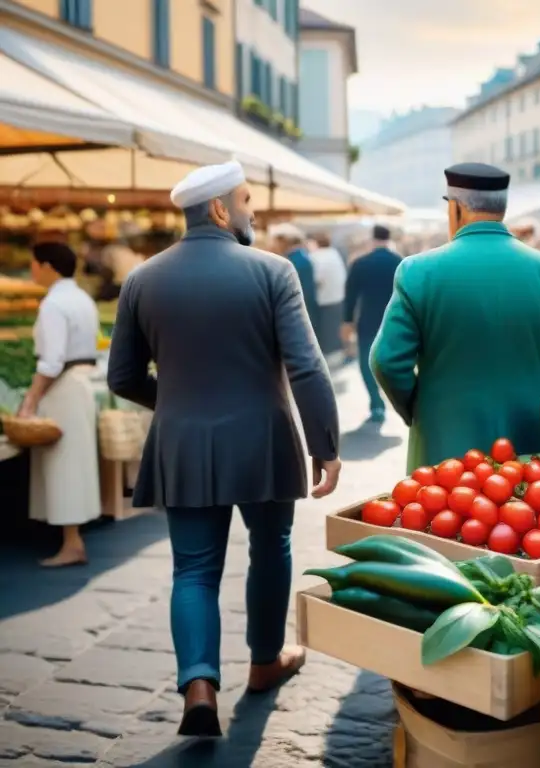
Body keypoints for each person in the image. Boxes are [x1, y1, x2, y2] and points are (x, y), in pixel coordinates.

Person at [106, 160, 342, 738]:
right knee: (272, 546)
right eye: (245, 200)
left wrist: (178, 402)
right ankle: (265, 663)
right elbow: (307, 366)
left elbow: (121, 377)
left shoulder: (142, 279)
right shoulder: (273, 271)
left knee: (192, 569)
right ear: (219, 209)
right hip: (262, 438)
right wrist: (326, 445)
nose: (253, 211)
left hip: (182, 442)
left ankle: (199, 687)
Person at [371, 162, 540, 472]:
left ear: (456, 209)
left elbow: (386, 361)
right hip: (531, 454)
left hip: (443, 454)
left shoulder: (417, 271)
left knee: (439, 521)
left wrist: (418, 409)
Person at [17, 242, 101, 567]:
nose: (32, 271)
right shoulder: (81, 298)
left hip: (62, 387)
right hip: (79, 384)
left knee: (64, 467)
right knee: (74, 465)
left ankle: (71, 543)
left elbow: (51, 362)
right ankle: (72, 540)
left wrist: (31, 398)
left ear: (48, 266)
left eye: (34, 264)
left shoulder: (53, 304)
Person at [342, 224, 402, 426]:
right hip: (395, 322)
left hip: (367, 321)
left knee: (367, 364)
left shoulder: (360, 263)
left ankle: (376, 404)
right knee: (394, 363)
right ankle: (397, 400)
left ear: (373, 238)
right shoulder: (400, 263)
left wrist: (347, 321)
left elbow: (350, 296)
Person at [270, 223, 319, 331]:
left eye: (276, 242)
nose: (274, 245)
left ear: (284, 241)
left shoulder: (292, 262)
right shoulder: (301, 258)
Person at [307, 232, 347, 357]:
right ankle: (337, 352)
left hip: (323, 299)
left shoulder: (315, 256)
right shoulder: (334, 253)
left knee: (325, 331)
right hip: (338, 297)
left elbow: (317, 280)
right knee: (335, 329)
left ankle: (330, 355)